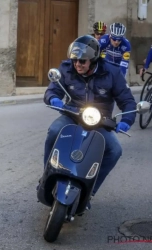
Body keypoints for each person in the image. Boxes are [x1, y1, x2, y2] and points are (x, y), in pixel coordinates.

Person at [43, 35, 136, 209]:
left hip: (100, 121)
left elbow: (127, 100)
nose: (77, 64)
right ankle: (46, 177)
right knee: (54, 131)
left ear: (93, 60)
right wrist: (53, 98)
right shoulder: (66, 68)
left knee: (115, 150)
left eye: (82, 61)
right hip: (71, 115)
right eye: (75, 60)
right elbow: (52, 90)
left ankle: (89, 192)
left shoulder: (112, 72)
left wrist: (127, 120)